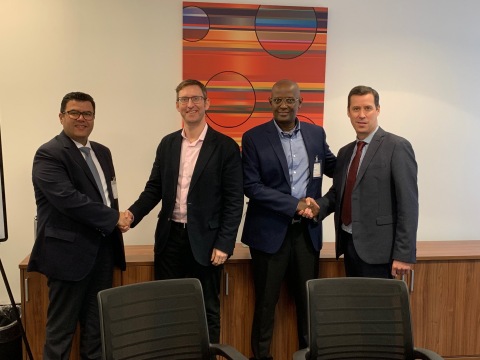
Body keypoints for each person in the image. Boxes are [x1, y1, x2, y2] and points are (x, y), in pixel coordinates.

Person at [125, 79, 244, 344]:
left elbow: (234, 200)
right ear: (177, 105)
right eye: (184, 100)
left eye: (195, 99)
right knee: (168, 307)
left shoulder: (225, 147)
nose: (190, 104)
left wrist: (225, 243)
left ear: (206, 103)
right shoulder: (167, 144)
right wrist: (131, 215)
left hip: (207, 242)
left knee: (207, 308)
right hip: (170, 240)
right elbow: (153, 189)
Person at [28, 91, 129, 360]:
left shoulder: (102, 152)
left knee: (96, 332)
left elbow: (108, 196)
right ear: (61, 117)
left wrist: (119, 216)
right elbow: (68, 199)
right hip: (67, 258)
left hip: (102, 254)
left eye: (87, 113)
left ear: (94, 118)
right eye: (74, 113)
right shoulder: (49, 154)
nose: (81, 118)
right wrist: (113, 218)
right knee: (60, 334)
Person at [241, 79, 336, 360]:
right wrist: (295, 205)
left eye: (290, 100)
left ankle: (308, 356)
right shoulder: (254, 137)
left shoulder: (316, 134)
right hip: (269, 235)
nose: (284, 105)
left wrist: (322, 204)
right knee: (266, 305)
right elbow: (252, 186)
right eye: (278, 100)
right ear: (270, 103)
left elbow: (335, 169)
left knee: (308, 305)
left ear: (300, 103)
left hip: (306, 234)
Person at [318, 85, 418, 278]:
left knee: (379, 308)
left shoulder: (397, 147)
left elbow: (408, 204)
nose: (361, 115)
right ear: (348, 112)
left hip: (381, 253)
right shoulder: (345, 152)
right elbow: (339, 192)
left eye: (368, 108)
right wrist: (317, 208)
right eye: (356, 109)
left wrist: (404, 254)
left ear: (378, 110)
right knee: (356, 306)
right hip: (349, 245)